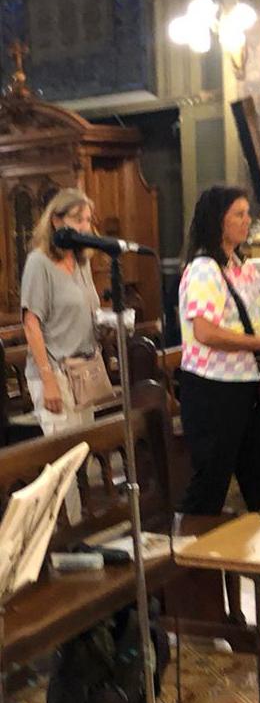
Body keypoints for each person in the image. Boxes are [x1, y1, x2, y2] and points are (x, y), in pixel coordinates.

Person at [177, 185, 260, 518]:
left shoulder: (239, 265)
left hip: (246, 385)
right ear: (218, 220)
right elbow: (205, 332)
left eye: (248, 213)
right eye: (239, 214)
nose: (247, 221)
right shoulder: (204, 269)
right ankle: (190, 546)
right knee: (211, 481)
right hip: (213, 389)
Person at [21, 189, 102, 521]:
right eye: (77, 219)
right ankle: (66, 532)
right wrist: (48, 380)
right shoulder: (39, 262)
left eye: (88, 220)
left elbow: (88, 309)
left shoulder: (81, 261)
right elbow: (31, 323)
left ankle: (81, 527)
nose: (85, 226)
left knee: (83, 453)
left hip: (84, 370)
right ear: (56, 221)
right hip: (54, 371)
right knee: (63, 458)